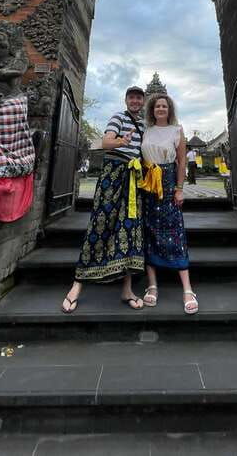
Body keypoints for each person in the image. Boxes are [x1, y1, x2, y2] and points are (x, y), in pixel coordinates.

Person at [62, 86, 146, 313]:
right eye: (132, 98)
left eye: (139, 98)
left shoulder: (145, 125)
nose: (136, 101)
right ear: (126, 100)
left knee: (130, 229)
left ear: (143, 101)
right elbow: (105, 142)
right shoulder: (118, 117)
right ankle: (77, 285)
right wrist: (122, 142)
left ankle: (127, 289)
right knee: (100, 225)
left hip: (133, 177)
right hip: (113, 174)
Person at [140, 94, 198, 314]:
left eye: (164, 106)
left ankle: (187, 288)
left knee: (174, 229)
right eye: (157, 106)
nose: (161, 108)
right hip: (147, 184)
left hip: (168, 180)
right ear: (152, 110)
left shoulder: (177, 130)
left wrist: (179, 188)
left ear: (169, 109)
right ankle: (152, 285)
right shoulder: (145, 130)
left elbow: (182, 160)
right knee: (149, 230)